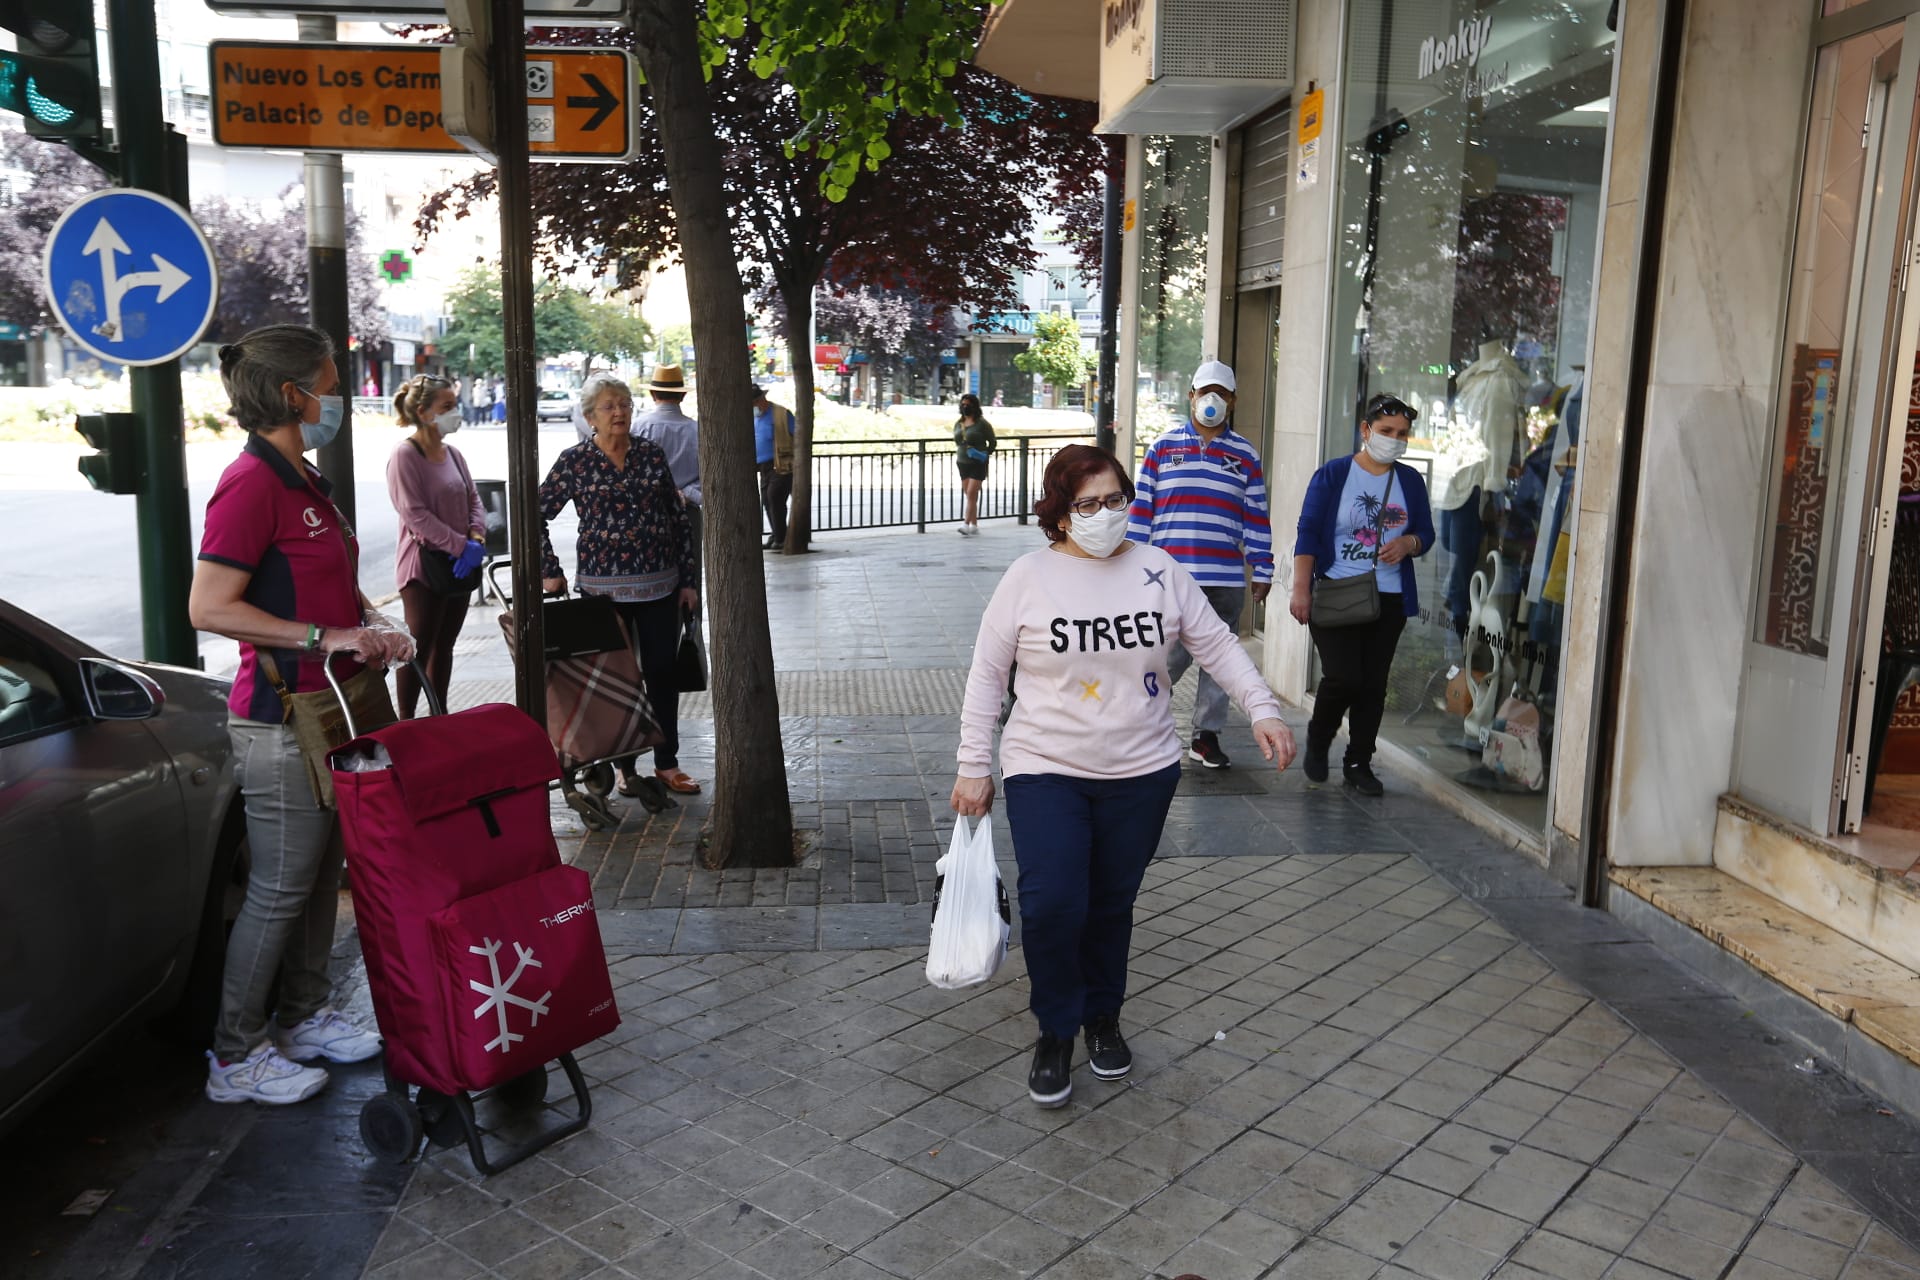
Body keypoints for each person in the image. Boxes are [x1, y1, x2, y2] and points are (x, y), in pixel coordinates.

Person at [951, 444, 1296, 1108]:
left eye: (1117, 500)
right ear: (1059, 513)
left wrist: (1261, 709)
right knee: (1054, 905)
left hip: (1141, 772)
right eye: (1089, 504)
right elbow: (988, 677)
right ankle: (1055, 1030)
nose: (1107, 514)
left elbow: (1217, 643)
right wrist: (972, 767)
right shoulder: (1027, 578)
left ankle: (1101, 1016)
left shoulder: (1159, 570)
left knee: (1110, 905)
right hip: (1045, 768)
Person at [187, 324, 413, 1105]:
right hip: (278, 718)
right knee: (281, 888)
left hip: (327, 709)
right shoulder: (250, 484)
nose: (338, 397)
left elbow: (320, 587)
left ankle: (305, 1014)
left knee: (321, 879)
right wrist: (328, 636)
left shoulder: (302, 480)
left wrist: (371, 625)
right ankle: (234, 1055)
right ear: (293, 395)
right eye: (330, 380)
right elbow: (210, 606)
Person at [541, 373, 702, 795]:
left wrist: (688, 580)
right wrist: (549, 567)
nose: (620, 412)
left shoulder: (650, 455)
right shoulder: (574, 461)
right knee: (616, 681)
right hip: (601, 592)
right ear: (591, 416)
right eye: (610, 406)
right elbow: (533, 513)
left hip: (660, 587)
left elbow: (677, 519)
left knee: (662, 673)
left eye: (626, 404)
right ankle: (626, 769)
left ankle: (667, 763)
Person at [1125, 359, 1275, 770]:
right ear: (1191, 396)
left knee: (1220, 661)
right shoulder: (1162, 447)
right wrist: (1129, 566)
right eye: (1205, 391)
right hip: (1167, 578)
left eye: (1221, 394)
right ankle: (1140, 724)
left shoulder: (1245, 455)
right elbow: (1141, 512)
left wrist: (1263, 568)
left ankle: (1205, 736)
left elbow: (1256, 516)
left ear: (1233, 401)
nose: (1212, 400)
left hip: (1224, 578)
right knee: (1164, 656)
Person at [1289, 393, 1436, 796]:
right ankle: (1319, 740)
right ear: (1366, 430)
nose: (1394, 439)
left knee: (1373, 684)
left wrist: (1409, 544)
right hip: (1336, 592)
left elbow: (1426, 532)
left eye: (1402, 433)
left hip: (1388, 598)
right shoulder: (1334, 475)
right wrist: (1301, 588)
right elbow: (1308, 533)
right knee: (1343, 676)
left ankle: (1359, 762)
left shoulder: (1409, 480)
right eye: (1386, 431)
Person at [386, 373, 486, 718]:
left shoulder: (453, 454)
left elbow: (474, 499)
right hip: (424, 567)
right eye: (447, 406)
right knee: (418, 646)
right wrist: (459, 546)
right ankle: (406, 720)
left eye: (454, 405)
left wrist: (475, 539)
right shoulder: (405, 456)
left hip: (461, 563)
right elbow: (415, 514)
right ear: (425, 412)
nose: (455, 412)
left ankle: (438, 716)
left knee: (444, 646)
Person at [753, 384, 795, 549]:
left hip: (781, 464)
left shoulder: (781, 414)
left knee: (774, 497)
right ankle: (777, 534)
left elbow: (796, 434)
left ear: (761, 399)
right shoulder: (754, 416)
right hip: (762, 467)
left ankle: (781, 537)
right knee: (767, 501)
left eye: (754, 402)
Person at [952, 392, 996, 536]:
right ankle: (974, 524)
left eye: (968, 405)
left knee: (971, 493)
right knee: (970, 495)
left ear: (974, 406)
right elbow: (957, 441)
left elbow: (992, 441)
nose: (965, 407)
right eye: (963, 404)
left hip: (978, 463)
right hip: (963, 462)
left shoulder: (982, 423)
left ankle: (965, 524)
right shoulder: (959, 423)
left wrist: (985, 454)